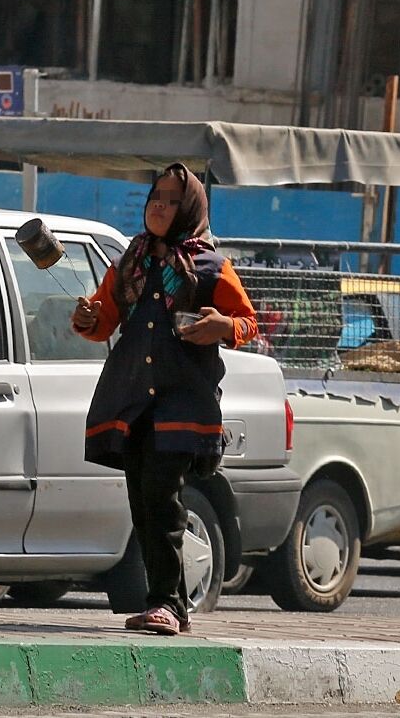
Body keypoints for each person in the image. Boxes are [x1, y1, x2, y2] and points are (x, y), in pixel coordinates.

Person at [70, 162, 257, 636]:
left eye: (173, 201)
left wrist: (223, 326)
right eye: (156, 198)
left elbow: (248, 323)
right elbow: (102, 322)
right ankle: (169, 606)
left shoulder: (212, 267)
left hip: (182, 405)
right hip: (132, 400)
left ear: (190, 210)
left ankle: (168, 604)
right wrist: (87, 318)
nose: (160, 207)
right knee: (142, 503)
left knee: (162, 498)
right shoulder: (128, 264)